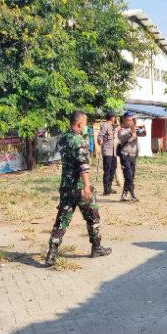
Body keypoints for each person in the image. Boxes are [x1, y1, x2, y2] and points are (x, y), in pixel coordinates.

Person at [45, 111, 112, 266]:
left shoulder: (62, 139)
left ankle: (52, 254)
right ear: (80, 123)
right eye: (86, 123)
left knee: (62, 220)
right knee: (93, 217)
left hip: (66, 187)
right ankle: (97, 247)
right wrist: (87, 187)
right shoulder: (79, 141)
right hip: (80, 188)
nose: (86, 126)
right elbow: (83, 166)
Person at [117, 112, 142, 202]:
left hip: (133, 156)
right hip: (125, 156)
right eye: (128, 120)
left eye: (131, 120)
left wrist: (142, 129)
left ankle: (124, 195)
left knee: (131, 176)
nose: (130, 122)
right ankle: (132, 195)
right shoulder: (122, 130)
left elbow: (143, 134)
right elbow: (122, 138)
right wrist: (131, 132)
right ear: (124, 120)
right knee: (128, 175)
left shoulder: (134, 129)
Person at [97, 112, 119, 195]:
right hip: (107, 151)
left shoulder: (115, 126)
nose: (115, 118)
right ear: (112, 117)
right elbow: (100, 135)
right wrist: (99, 141)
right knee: (107, 170)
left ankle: (109, 187)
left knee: (113, 169)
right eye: (114, 117)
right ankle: (106, 190)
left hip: (114, 152)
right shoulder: (105, 125)